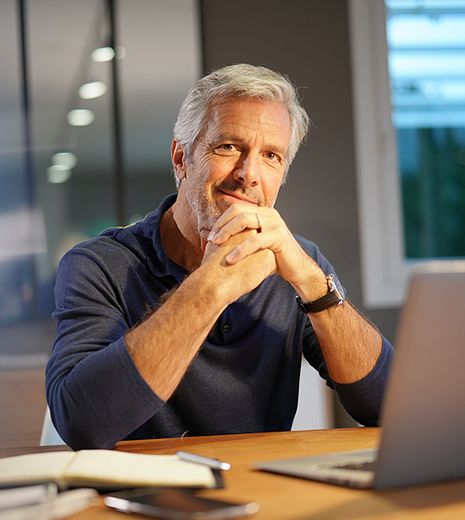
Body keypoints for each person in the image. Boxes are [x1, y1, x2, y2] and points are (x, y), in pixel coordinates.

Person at [46, 64, 395, 450]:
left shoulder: (298, 261)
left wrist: (313, 284)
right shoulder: (97, 265)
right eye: (228, 146)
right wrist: (211, 287)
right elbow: (83, 424)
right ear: (181, 158)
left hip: (262, 492)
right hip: (140, 496)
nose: (249, 174)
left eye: (271, 156)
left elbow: (390, 407)